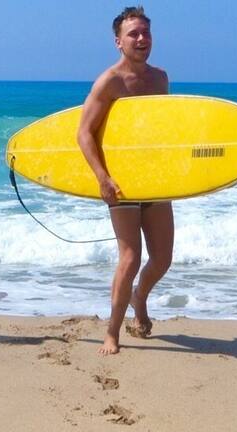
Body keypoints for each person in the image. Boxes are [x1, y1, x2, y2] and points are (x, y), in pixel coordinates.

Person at [77, 6, 172, 354]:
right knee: (130, 256)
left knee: (162, 259)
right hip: (122, 180)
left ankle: (139, 297)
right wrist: (102, 178)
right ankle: (112, 331)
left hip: (155, 179)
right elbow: (84, 134)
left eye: (145, 32)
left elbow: (163, 131)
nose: (142, 39)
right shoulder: (110, 81)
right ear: (119, 41)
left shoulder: (160, 79)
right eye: (133, 34)